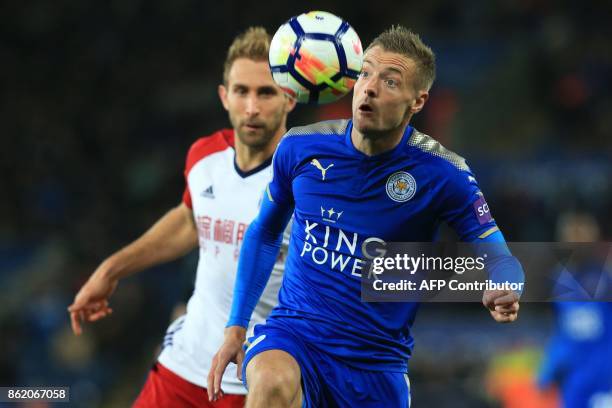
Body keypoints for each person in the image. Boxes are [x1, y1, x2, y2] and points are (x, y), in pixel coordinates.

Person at [208, 25, 523, 407]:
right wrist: (235, 328)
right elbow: (263, 232)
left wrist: (506, 286)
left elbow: (499, 255)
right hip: (295, 337)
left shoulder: (444, 174)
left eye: (390, 81)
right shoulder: (301, 146)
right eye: (365, 73)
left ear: (417, 101)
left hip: (375, 367)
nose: (370, 87)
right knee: (271, 382)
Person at [67, 27, 296, 407]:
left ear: (289, 98)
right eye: (242, 91)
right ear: (225, 96)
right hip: (184, 363)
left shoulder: (310, 178)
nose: (252, 107)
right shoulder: (204, 157)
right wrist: (110, 270)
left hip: (255, 380)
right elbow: (191, 221)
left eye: (266, 92)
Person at [538, 212, 612, 408]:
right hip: (574, 379)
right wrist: (548, 370)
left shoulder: (606, 277)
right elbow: (561, 331)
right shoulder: (558, 280)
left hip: (604, 377)